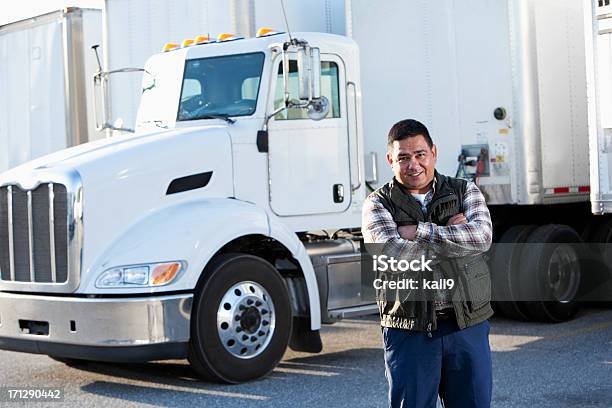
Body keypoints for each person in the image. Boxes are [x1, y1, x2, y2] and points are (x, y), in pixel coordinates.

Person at [362, 119, 494, 408]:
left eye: (420, 154)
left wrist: (418, 232)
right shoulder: (377, 204)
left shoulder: (465, 191)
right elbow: (391, 253)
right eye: (403, 157)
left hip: (466, 324)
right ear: (390, 160)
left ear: (433, 152)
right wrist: (454, 237)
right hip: (409, 328)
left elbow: (482, 238)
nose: (413, 165)